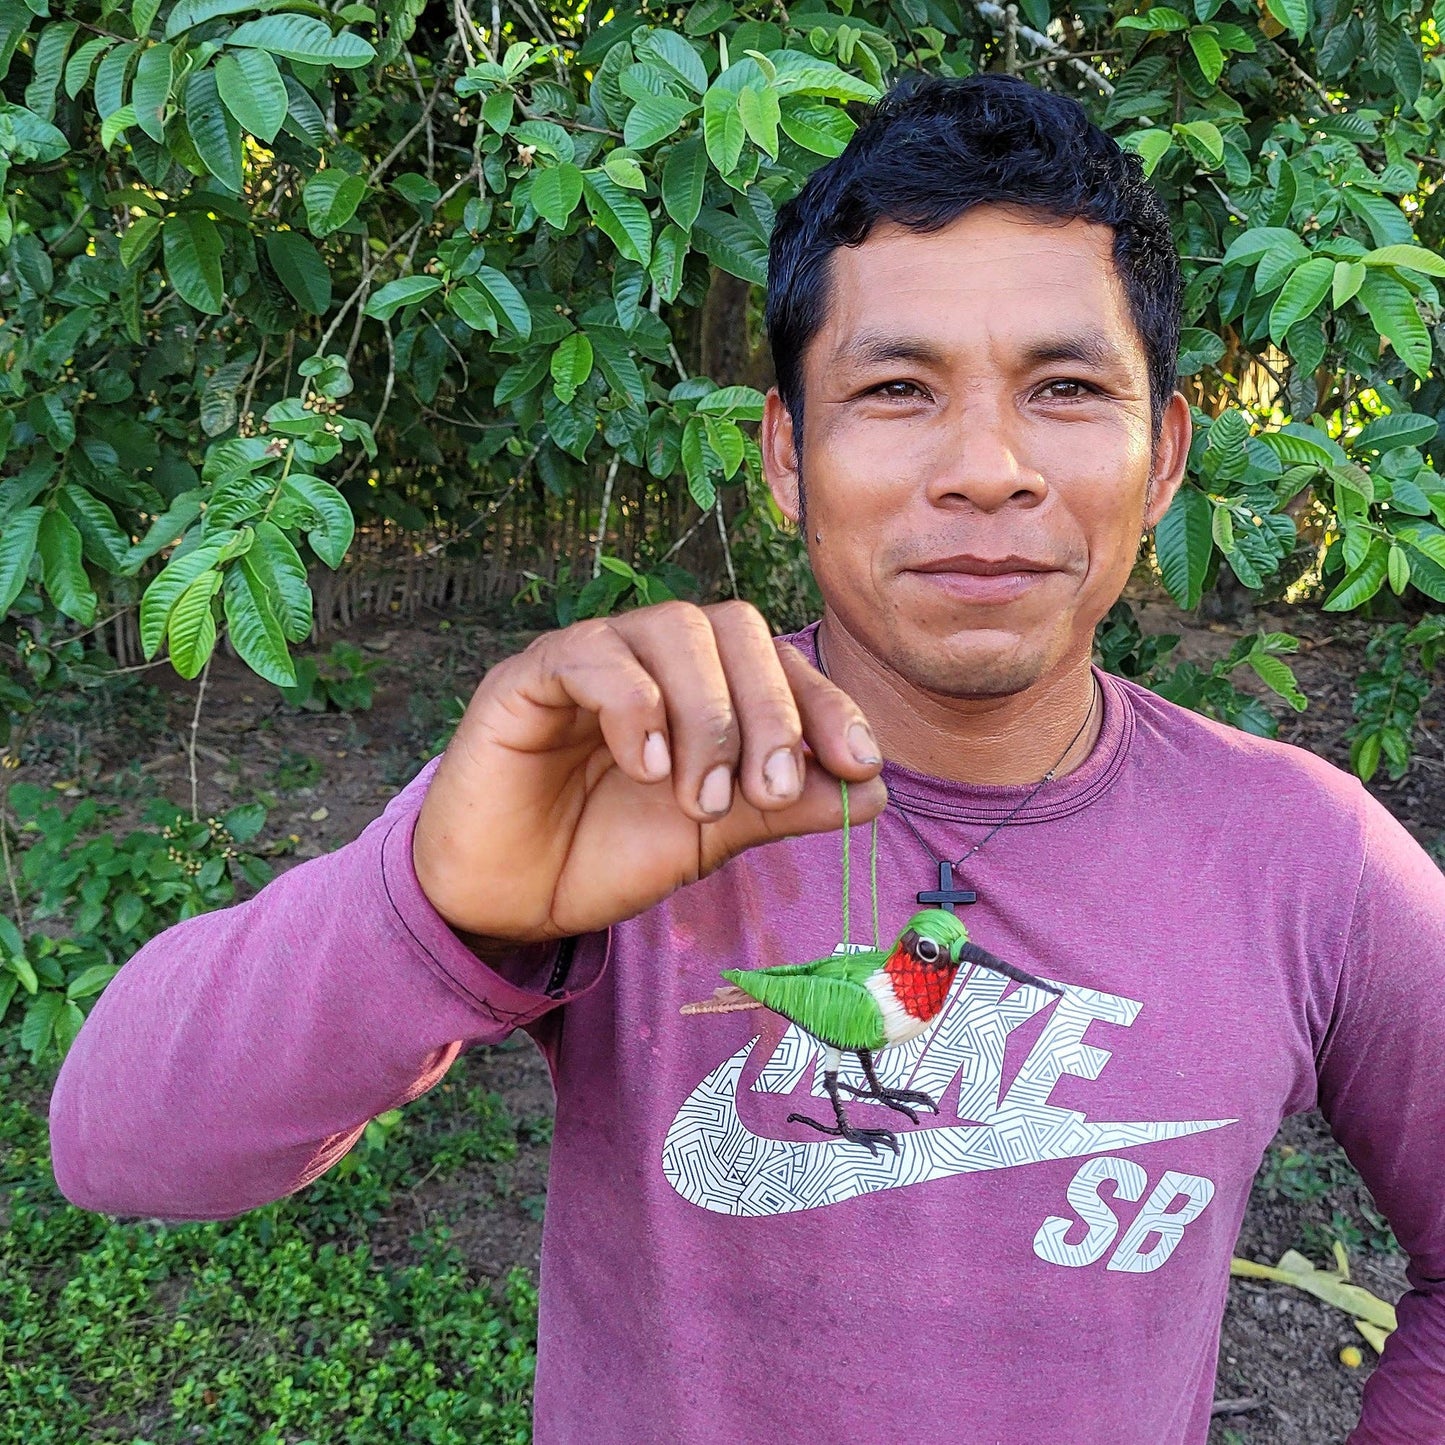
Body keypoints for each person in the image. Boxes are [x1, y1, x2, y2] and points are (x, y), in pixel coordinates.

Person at [49, 73, 1444, 1444]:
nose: (986, 467)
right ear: (786, 455)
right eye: (896, 388)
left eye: (1066, 387)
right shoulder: (634, 766)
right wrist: (432, 911)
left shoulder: (1309, 859)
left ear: (1163, 457)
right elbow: (117, 1145)